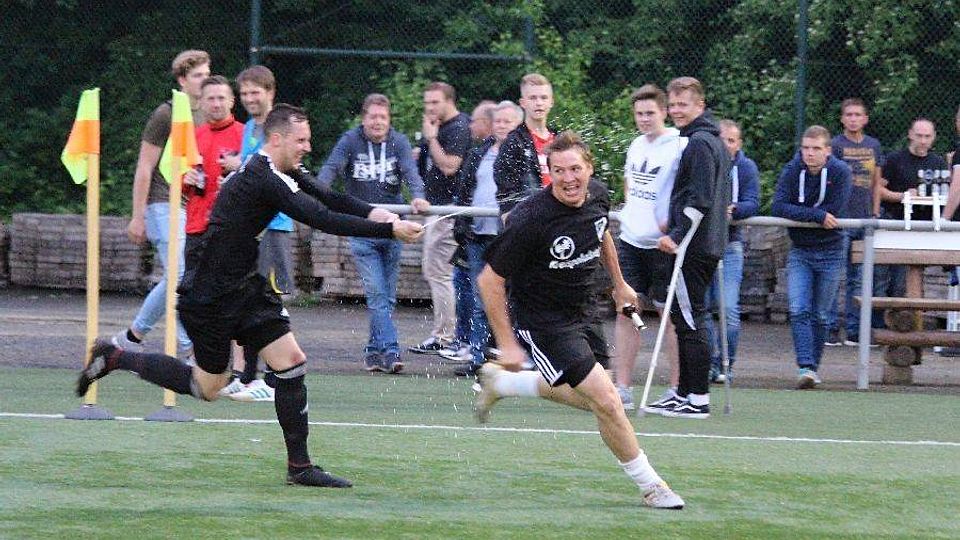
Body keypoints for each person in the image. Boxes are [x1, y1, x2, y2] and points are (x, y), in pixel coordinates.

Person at [78, 104, 425, 487]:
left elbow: (329, 197)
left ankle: (300, 468)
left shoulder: (281, 169)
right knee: (207, 387)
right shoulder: (264, 177)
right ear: (276, 139)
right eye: (301, 140)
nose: (307, 147)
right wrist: (390, 231)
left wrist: (379, 214)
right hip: (210, 294)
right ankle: (115, 356)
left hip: (245, 287)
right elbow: (320, 218)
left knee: (292, 363)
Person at [474, 131, 685, 510]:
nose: (568, 179)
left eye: (575, 169)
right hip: (543, 321)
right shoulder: (530, 219)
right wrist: (507, 344)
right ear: (549, 173)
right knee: (607, 401)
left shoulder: (599, 195)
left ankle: (505, 383)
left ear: (589, 168)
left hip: (584, 310)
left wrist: (620, 284)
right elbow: (489, 280)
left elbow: (600, 233)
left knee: (599, 400)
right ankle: (652, 485)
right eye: (559, 171)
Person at [494, 72, 613, 375]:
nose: (538, 103)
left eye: (543, 97)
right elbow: (508, 203)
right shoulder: (514, 143)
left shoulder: (562, 141)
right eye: (532, 98)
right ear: (522, 102)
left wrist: (620, 284)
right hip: (538, 246)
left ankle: (510, 378)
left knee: (596, 377)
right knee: (580, 377)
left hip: (572, 251)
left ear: (551, 101)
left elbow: (599, 223)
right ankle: (502, 352)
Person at [317, 94, 429, 373]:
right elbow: (331, 168)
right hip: (362, 230)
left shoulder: (399, 142)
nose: (378, 122)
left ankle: (372, 351)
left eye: (383, 117)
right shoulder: (350, 140)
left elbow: (411, 172)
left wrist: (418, 195)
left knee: (386, 297)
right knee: (377, 294)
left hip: (393, 229)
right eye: (373, 117)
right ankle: (391, 351)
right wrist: (316, 194)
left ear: (389, 120)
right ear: (363, 118)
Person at [111, 50, 209, 360]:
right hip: (162, 202)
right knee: (180, 276)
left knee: (177, 278)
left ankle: (132, 337)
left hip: (192, 205)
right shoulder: (166, 114)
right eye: (198, 76)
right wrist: (137, 215)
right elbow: (145, 166)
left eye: (207, 75)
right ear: (182, 80)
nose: (204, 81)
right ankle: (190, 349)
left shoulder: (209, 113)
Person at [645, 77, 730, 419]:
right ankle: (683, 393)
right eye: (674, 105)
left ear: (700, 105)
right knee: (685, 317)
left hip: (694, 247)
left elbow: (700, 199)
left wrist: (678, 236)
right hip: (705, 243)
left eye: (684, 104)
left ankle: (697, 398)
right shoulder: (707, 140)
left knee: (691, 318)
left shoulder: (699, 143)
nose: (677, 111)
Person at [612, 84, 687, 411]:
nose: (644, 119)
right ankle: (622, 387)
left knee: (669, 315)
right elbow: (629, 185)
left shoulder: (680, 145)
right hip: (631, 240)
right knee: (627, 311)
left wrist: (672, 224)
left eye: (650, 113)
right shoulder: (636, 144)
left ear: (664, 112)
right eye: (639, 114)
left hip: (663, 246)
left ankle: (676, 388)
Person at [445, 101, 524, 375]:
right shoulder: (479, 154)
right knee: (481, 300)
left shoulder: (524, 156)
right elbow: (466, 189)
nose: (501, 126)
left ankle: (513, 356)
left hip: (508, 239)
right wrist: (461, 225)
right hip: (478, 235)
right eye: (498, 121)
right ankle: (479, 358)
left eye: (507, 122)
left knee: (512, 300)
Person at [217, 65, 282, 400]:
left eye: (255, 92)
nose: (249, 98)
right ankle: (247, 376)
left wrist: (238, 167)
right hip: (251, 227)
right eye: (244, 93)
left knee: (269, 301)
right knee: (250, 299)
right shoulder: (249, 129)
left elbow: (271, 170)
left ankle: (274, 379)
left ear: (270, 92)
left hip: (274, 225)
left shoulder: (277, 127)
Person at [771, 125, 852, 390]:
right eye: (806, 148)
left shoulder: (841, 172)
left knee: (821, 314)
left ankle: (813, 368)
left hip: (831, 250)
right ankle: (805, 366)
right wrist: (816, 215)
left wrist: (807, 213)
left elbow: (836, 209)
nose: (810, 153)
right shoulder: (792, 170)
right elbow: (778, 206)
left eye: (816, 148)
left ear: (827, 151)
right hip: (801, 250)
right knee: (798, 309)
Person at [408, 82, 472, 356]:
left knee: (440, 273)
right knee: (436, 272)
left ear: (449, 101)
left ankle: (445, 336)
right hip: (435, 208)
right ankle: (446, 334)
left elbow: (449, 166)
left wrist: (432, 139)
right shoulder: (439, 128)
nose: (430, 108)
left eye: (435, 102)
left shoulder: (458, 128)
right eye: (427, 103)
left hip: (448, 211)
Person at [824, 98, 884, 346]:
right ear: (842, 119)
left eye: (858, 114)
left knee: (858, 279)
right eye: (848, 114)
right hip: (841, 220)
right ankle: (829, 329)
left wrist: (875, 212)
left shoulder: (874, 145)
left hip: (864, 219)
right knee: (834, 275)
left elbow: (876, 182)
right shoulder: (835, 145)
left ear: (865, 119)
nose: (853, 119)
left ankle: (854, 330)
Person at [704, 119, 760, 383]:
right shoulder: (704, 162)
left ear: (738, 144)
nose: (725, 145)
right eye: (721, 139)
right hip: (702, 244)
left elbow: (753, 202)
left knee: (728, 308)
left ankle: (726, 364)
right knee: (701, 308)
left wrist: (734, 210)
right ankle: (706, 363)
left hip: (730, 244)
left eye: (731, 140)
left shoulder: (747, 168)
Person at [876, 118, 947, 297]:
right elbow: (878, 190)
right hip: (894, 222)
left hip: (922, 228)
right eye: (919, 136)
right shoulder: (894, 159)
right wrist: (903, 196)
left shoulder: (938, 163)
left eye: (927, 136)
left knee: (904, 281)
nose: (923, 140)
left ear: (934, 137)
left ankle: (904, 313)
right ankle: (877, 315)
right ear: (910, 135)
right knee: (881, 279)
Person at [182, 75, 244, 272]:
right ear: (201, 102)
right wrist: (186, 179)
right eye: (210, 99)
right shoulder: (193, 136)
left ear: (232, 101)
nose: (216, 104)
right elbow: (178, 182)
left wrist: (239, 167)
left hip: (230, 226)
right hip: (197, 225)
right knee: (192, 284)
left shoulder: (245, 135)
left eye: (221, 98)